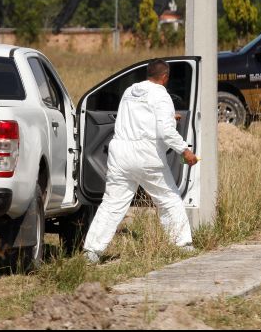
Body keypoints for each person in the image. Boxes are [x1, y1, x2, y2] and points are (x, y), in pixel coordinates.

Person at [82, 59, 199, 264]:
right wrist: (185, 150)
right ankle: (182, 246)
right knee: (168, 199)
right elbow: (165, 131)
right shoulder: (161, 94)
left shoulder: (130, 91)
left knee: (112, 204)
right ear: (165, 77)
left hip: (120, 154)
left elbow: (141, 117)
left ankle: (91, 252)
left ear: (148, 73)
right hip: (146, 154)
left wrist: (172, 117)